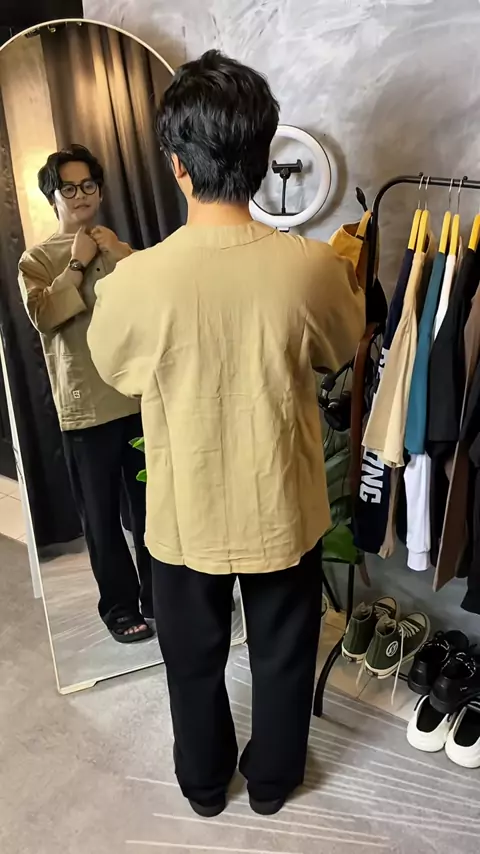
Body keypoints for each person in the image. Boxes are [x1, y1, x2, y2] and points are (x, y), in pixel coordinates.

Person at [88, 51, 365, 815]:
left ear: (177, 165)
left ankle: (204, 785)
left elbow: (115, 372)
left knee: (190, 661)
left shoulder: (134, 281)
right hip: (283, 506)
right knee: (283, 654)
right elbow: (340, 347)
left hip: (186, 513)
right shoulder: (312, 269)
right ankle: (273, 782)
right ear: (263, 155)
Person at [18, 144, 153, 643]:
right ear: (53, 195)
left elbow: (158, 302)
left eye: (88, 185)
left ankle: (159, 598)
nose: (80, 195)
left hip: (137, 397)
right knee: (100, 519)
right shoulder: (36, 259)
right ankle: (119, 608)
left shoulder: (120, 247)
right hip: (84, 408)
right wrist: (76, 263)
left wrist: (120, 253)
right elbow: (45, 316)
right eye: (68, 187)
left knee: (152, 511)